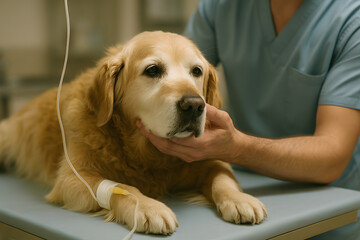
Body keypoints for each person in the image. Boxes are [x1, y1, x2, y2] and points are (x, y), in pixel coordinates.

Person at [137, 0, 360, 238]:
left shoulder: (350, 21)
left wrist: (235, 148)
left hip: (330, 211)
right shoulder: (220, 7)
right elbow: (179, 76)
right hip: (239, 187)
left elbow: (332, 157)